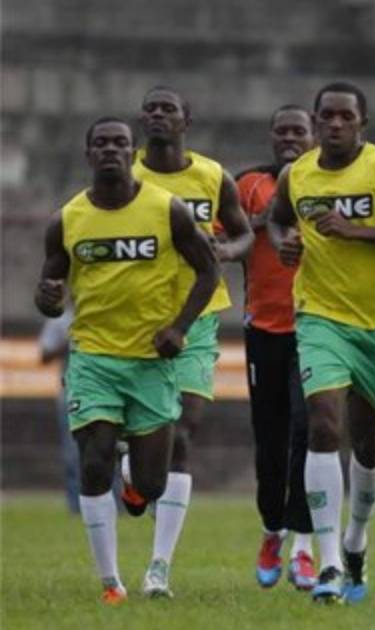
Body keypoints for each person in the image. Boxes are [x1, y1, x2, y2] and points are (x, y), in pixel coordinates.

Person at [267, 81, 375, 603]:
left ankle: (357, 537)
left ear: (363, 122)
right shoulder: (297, 175)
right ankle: (328, 565)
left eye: (346, 116)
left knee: (367, 443)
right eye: (327, 116)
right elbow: (277, 220)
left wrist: (357, 232)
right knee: (323, 423)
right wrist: (286, 244)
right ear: (316, 121)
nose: (336, 124)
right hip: (319, 316)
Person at [35, 117, 217, 604]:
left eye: (119, 142)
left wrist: (179, 327)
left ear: (132, 152)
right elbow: (50, 291)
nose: (110, 149)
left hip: (150, 360)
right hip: (93, 359)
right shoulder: (67, 220)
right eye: (101, 143)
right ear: (88, 154)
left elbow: (208, 271)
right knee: (94, 462)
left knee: (153, 484)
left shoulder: (168, 210)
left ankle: (136, 476)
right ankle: (111, 582)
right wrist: (47, 299)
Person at [129, 86, 254, 598]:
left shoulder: (212, 175)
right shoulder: (126, 174)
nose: (158, 115)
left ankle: (159, 567)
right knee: (141, 439)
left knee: (183, 433)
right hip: (137, 319)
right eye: (151, 109)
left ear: (187, 120)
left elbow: (245, 233)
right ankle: (133, 470)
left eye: (169, 109)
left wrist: (226, 250)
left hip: (198, 317)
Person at [236, 105, 317, 591]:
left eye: (298, 131)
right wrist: (259, 221)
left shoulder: (326, 183)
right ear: (270, 135)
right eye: (282, 130)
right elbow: (224, 242)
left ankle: (304, 544)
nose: (290, 138)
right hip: (264, 328)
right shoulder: (248, 183)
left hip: (317, 328)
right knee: (270, 440)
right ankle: (272, 529)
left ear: (312, 136)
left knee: (311, 431)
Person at [38, 305, 80, 514]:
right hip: (70, 392)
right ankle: (75, 505)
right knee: (72, 453)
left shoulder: (106, 313)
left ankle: (117, 505)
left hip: (107, 390)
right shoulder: (61, 320)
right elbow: (44, 356)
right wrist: (68, 342)